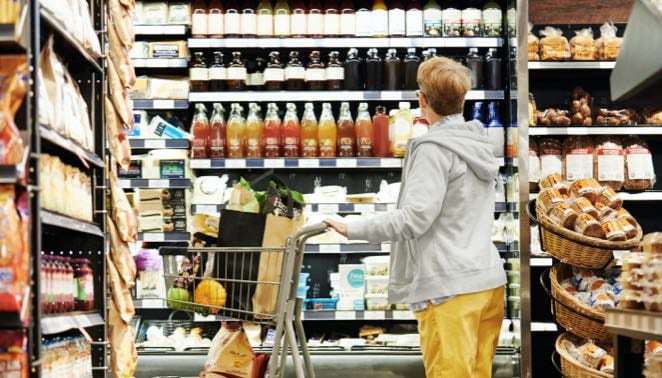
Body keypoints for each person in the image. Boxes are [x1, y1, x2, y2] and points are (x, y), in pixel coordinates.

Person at [324, 57, 507, 378]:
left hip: (449, 287)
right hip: (487, 281)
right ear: (463, 99)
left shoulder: (432, 148)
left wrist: (351, 227)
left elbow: (414, 219)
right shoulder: (480, 143)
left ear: (421, 99)